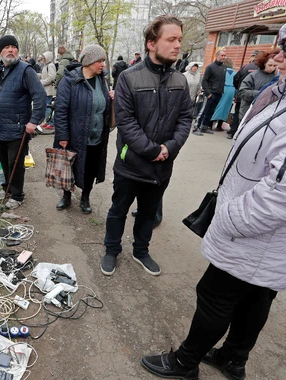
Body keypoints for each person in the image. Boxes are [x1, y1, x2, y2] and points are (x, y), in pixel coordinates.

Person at [141, 5, 286, 379]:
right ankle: (233, 358)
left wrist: (231, 217)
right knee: (257, 294)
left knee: (216, 295)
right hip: (266, 231)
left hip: (259, 228)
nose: (278, 56)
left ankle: (185, 363)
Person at [101, 15, 192, 276]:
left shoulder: (180, 81)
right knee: (118, 210)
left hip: (162, 167)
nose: (177, 46)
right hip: (131, 165)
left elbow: (186, 119)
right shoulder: (129, 78)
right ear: (151, 43)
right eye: (171, 39)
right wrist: (153, 150)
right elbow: (126, 123)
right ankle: (111, 250)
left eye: (179, 40)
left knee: (148, 213)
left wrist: (169, 148)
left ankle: (141, 250)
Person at [53, 44, 114, 214]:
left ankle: (85, 197)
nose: (103, 64)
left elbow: (105, 107)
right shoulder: (70, 81)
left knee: (91, 169)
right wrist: (63, 135)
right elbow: (61, 110)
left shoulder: (103, 81)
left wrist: (112, 99)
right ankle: (66, 196)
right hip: (74, 136)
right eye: (99, 61)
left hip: (96, 136)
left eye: (103, 60)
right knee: (69, 167)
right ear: (88, 61)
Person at [0, 35, 46, 210]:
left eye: (14, 47)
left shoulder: (25, 70)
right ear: (0, 52)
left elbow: (40, 95)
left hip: (18, 127)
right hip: (0, 126)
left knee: (16, 163)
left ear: (18, 51)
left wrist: (34, 121)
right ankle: (5, 188)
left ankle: (17, 194)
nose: (11, 50)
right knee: (3, 161)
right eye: (6, 47)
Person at [237, 49, 279, 125]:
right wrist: (260, 94)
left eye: (275, 66)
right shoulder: (253, 76)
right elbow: (242, 92)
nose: (272, 68)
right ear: (264, 64)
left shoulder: (277, 77)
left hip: (265, 114)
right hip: (248, 112)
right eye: (270, 65)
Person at [194, 49, 227, 136]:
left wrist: (222, 91)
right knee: (204, 110)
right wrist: (208, 93)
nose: (223, 57)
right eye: (222, 55)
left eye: (224, 56)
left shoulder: (224, 68)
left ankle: (204, 126)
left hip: (218, 93)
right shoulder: (210, 67)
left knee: (211, 111)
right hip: (210, 93)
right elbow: (204, 81)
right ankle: (196, 127)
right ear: (217, 56)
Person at [227, 51, 260, 139]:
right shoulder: (261, 69)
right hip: (255, 97)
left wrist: (239, 89)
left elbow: (236, 78)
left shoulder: (246, 66)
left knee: (238, 113)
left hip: (241, 94)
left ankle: (232, 132)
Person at [210, 58, 236, 132]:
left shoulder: (222, 71)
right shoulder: (234, 72)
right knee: (226, 107)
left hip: (222, 88)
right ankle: (219, 125)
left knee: (217, 105)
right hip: (231, 90)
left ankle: (210, 123)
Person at [39, 51, 57, 130]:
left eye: (44, 58)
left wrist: (42, 82)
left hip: (49, 90)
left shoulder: (50, 66)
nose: (43, 59)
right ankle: (47, 121)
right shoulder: (46, 66)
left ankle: (49, 122)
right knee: (46, 105)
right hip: (45, 90)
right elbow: (44, 75)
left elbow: (51, 77)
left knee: (48, 106)